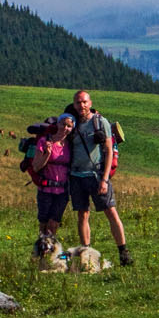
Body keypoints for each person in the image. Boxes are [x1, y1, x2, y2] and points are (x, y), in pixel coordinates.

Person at [61, 90, 129, 267]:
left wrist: (104, 179)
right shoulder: (72, 124)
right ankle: (86, 254)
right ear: (74, 105)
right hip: (76, 176)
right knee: (82, 215)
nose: (81, 105)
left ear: (90, 103)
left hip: (96, 175)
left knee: (111, 212)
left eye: (84, 102)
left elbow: (108, 151)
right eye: (78, 103)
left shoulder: (100, 122)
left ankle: (123, 253)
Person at [18, 116, 76, 262]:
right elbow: (36, 166)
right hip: (46, 189)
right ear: (58, 124)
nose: (65, 128)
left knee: (54, 223)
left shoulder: (69, 144)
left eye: (69, 126)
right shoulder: (45, 142)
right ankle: (40, 253)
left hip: (63, 190)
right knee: (43, 223)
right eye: (63, 124)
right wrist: (47, 155)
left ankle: (52, 253)